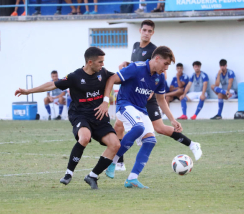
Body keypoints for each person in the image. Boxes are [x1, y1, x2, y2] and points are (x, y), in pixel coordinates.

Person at [15, 47, 120, 189]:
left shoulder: (103, 73)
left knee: (115, 145)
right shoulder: (75, 77)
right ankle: (68, 173)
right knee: (84, 137)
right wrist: (28, 91)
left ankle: (92, 176)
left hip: (99, 116)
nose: (102, 65)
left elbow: (121, 78)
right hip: (80, 114)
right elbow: (52, 84)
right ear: (90, 62)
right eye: (100, 62)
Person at [115, 20, 202, 172]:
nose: (147, 33)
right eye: (145, 30)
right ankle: (119, 163)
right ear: (140, 31)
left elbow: (162, 73)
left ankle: (192, 144)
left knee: (160, 128)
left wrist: (150, 91)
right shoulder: (136, 46)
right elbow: (138, 68)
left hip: (147, 95)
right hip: (134, 95)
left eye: (150, 31)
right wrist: (126, 64)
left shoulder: (154, 50)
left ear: (153, 33)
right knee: (118, 125)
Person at [105, 46, 183, 189]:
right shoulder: (136, 67)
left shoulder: (159, 78)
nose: (166, 68)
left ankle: (132, 179)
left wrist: (172, 119)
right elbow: (112, 79)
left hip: (141, 110)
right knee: (139, 127)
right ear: (157, 58)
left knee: (150, 141)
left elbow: (161, 100)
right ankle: (113, 160)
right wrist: (105, 101)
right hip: (125, 105)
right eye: (165, 64)